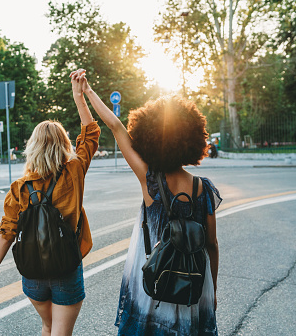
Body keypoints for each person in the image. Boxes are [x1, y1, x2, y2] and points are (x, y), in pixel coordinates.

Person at [71, 69, 221, 335]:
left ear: (150, 141)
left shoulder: (150, 180)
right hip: (193, 285)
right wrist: (213, 289)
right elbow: (211, 245)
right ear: (192, 140)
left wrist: (85, 92)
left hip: (155, 285)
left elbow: (115, 126)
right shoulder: (204, 189)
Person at [0, 74, 100, 335]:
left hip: (32, 274)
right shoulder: (74, 171)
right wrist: (79, 95)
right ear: (65, 145)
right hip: (65, 268)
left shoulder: (19, 188)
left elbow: (6, 233)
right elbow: (91, 135)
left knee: (47, 326)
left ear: (32, 148)